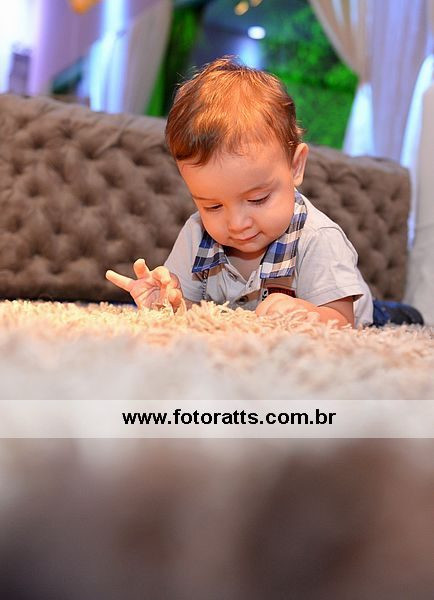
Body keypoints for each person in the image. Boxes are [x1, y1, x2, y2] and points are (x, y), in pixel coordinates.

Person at [106, 57, 423, 328]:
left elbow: (342, 321)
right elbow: (188, 311)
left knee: (398, 317)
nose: (237, 223)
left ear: (295, 167)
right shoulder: (196, 233)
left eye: (257, 199)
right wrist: (167, 303)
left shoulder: (318, 237)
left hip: (366, 313)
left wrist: (306, 314)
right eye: (212, 206)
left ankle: (403, 312)